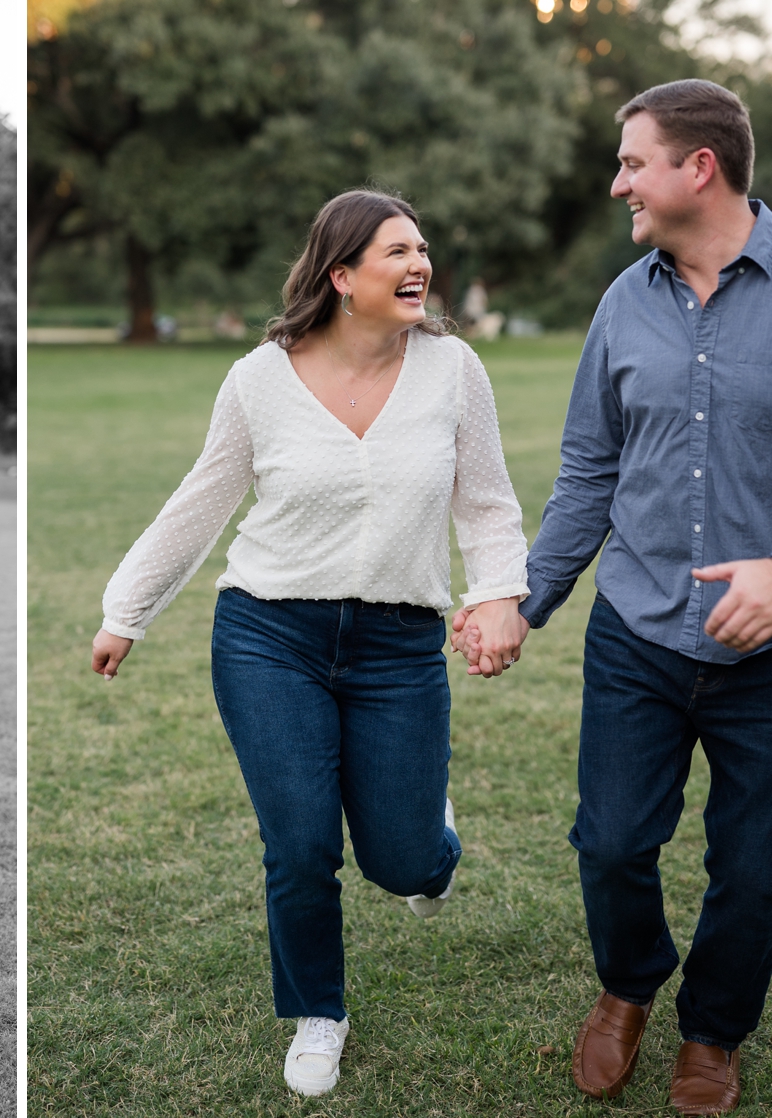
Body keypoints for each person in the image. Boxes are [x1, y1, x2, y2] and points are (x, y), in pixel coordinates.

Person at [90, 189, 530, 1098]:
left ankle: (429, 839)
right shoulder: (261, 377)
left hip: (400, 644)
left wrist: (496, 595)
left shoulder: (453, 370)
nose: (419, 266)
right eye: (395, 253)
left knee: (404, 862)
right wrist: (126, 608)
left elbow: (487, 501)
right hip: (268, 635)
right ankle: (317, 1013)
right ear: (341, 277)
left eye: (422, 249)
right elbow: (203, 498)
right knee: (298, 845)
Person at [454, 79, 772, 1116]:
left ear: (699, 167)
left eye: (633, 161)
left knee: (759, 866)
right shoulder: (621, 301)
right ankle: (628, 983)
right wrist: (521, 597)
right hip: (636, 629)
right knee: (614, 843)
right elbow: (590, 467)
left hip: (766, 656)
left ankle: (714, 1029)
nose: (616, 180)